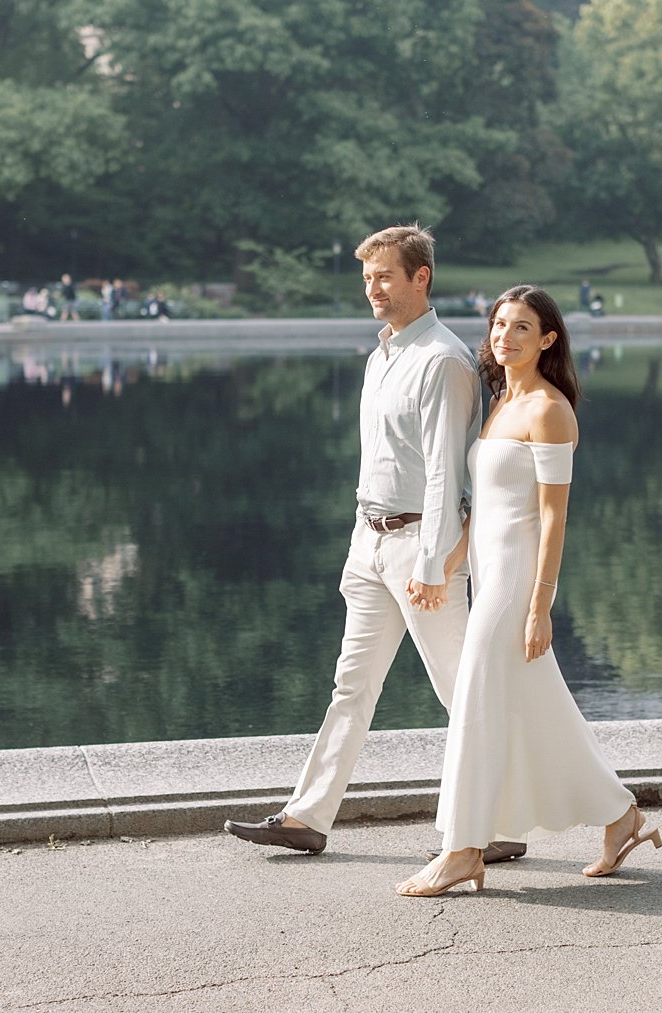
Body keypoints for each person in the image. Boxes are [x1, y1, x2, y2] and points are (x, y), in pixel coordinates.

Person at [224, 224, 526, 865]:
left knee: (461, 692)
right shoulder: (382, 355)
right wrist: (361, 539)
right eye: (367, 278)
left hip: (425, 549)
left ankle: (501, 821)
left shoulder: (443, 361)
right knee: (350, 687)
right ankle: (307, 817)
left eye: (385, 276)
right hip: (369, 542)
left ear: (422, 278)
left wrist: (435, 563)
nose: (373, 289)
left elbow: (447, 472)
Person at [395, 285, 662, 897]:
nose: (504, 336)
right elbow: (484, 509)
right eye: (498, 323)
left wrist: (540, 605)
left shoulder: (548, 410)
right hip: (486, 570)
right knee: (539, 707)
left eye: (521, 327)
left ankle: (462, 848)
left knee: (475, 699)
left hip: (516, 584)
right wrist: (440, 563)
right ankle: (622, 818)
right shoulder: (499, 403)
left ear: (548, 339)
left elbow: (552, 518)